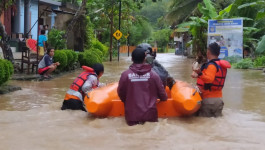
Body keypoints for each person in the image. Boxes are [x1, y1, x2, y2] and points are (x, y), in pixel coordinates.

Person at [117, 47, 168, 126]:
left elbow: (121, 93)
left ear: (131, 59)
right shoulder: (153, 75)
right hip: (150, 115)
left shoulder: (125, 75)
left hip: (132, 115)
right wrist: (162, 99)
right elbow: (162, 94)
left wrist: (127, 102)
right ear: (145, 59)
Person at [191, 42, 231, 117]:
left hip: (209, 101)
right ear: (219, 53)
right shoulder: (219, 65)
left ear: (208, 52)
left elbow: (209, 79)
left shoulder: (211, 66)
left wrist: (199, 73)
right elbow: (213, 78)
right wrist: (197, 75)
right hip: (218, 100)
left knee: (204, 123)